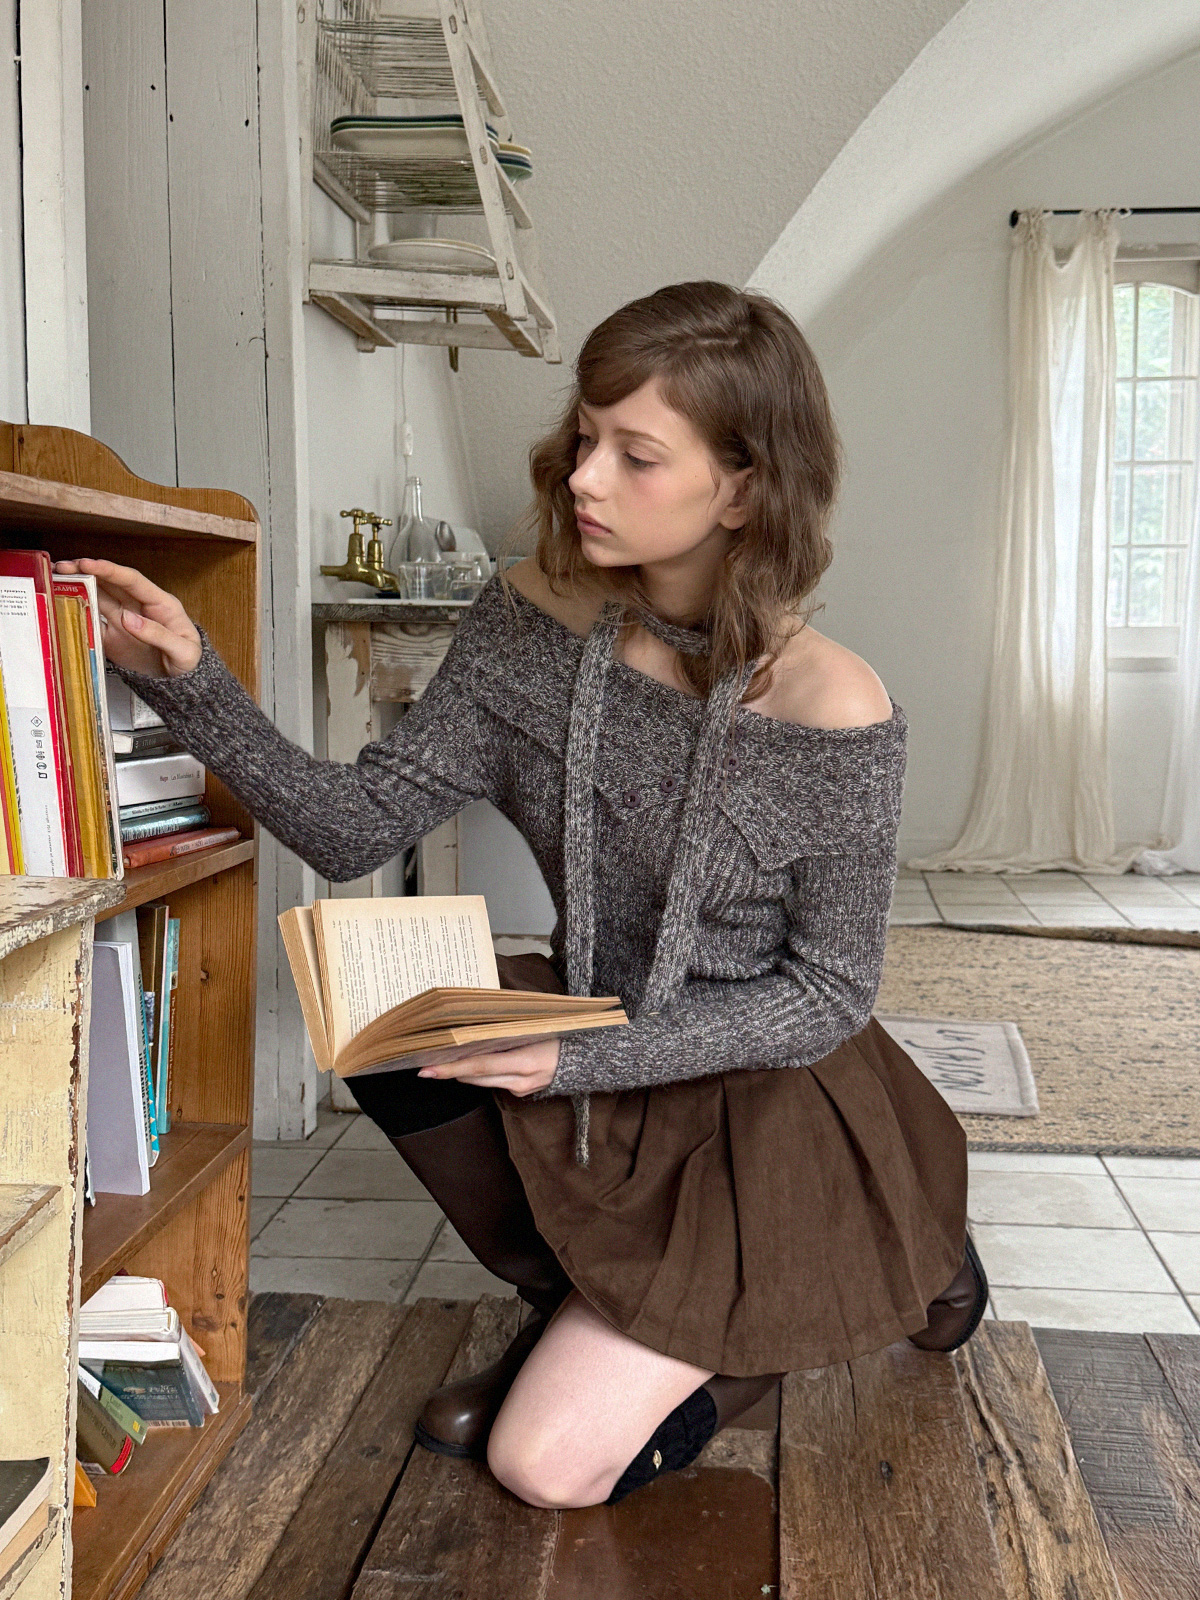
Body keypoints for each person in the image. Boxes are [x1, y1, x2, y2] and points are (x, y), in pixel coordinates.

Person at [58, 280, 985, 1512]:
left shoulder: (834, 705)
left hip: (762, 1089)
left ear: (745, 488)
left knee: (540, 1465)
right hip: (596, 1025)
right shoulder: (525, 626)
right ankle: (580, 1303)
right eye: (585, 436)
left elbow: (825, 994)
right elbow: (351, 827)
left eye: (636, 455)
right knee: (389, 1020)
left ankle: (828, 1290)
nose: (584, 477)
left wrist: (574, 1060)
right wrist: (190, 681)